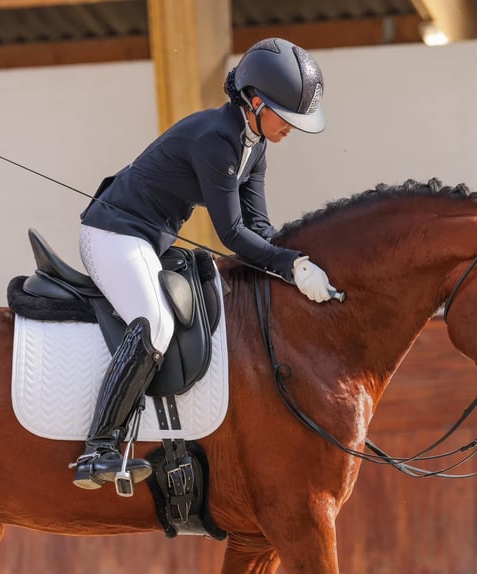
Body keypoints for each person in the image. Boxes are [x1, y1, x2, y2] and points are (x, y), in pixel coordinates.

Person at [71, 38, 338, 490]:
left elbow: (260, 227)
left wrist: (302, 263)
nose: (292, 128)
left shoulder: (255, 145)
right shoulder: (218, 140)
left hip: (149, 241)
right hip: (114, 234)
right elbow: (231, 234)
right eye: (286, 116)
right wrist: (289, 265)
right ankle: (98, 449)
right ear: (255, 103)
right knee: (154, 323)